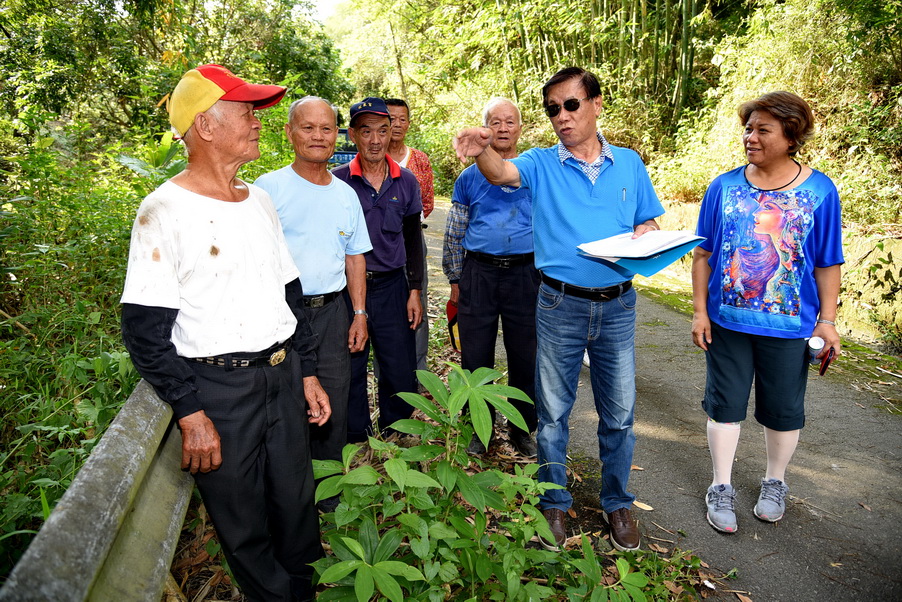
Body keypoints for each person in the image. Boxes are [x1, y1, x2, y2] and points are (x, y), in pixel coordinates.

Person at [120, 64, 329, 601]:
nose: (258, 122)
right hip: (220, 391)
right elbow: (144, 331)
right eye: (246, 112)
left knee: (297, 503)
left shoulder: (259, 200)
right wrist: (190, 412)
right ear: (205, 125)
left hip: (282, 374)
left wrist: (306, 373)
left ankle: (306, 591)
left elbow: (290, 294)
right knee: (243, 521)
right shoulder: (163, 210)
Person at [453, 67, 663, 553]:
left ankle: (617, 503)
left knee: (620, 413)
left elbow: (646, 220)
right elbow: (501, 173)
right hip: (558, 302)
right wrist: (481, 147)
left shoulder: (630, 163)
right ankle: (553, 501)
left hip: (617, 305)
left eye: (571, 104)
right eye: (552, 109)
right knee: (551, 414)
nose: (561, 116)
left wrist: (647, 235)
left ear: (596, 104)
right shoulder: (541, 162)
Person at [691, 91, 843, 534]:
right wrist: (700, 311)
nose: (750, 137)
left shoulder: (820, 191)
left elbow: (827, 262)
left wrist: (827, 321)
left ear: (791, 136)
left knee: (783, 409)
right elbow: (703, 255)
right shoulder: (723, 187)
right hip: (727, 322)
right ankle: (720, 485)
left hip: (791, 327)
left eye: (762, 130)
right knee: (724, 405)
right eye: (748, 128)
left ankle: (775, 481)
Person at [254, 96, 372, 513]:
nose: (318, 136)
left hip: (333, 310)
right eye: (308, 127)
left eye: (326, 128)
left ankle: (329, 488)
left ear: (337, 135)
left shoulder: (346, 194)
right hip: (283, 313)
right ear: (290, 133)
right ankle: (290, 489)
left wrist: (359, 314)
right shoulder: (268, 189)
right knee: (287, 396)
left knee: (335, 394)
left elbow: (355, 257)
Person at [442, 97, 538, 458]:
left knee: (525, 356)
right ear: (485, 129)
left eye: (510, 122)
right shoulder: (469, 177)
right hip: (478, 274)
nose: (502, 128)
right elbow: (455, 231)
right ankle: (476, 429)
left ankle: (522, 429)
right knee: (475, 356)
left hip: (525, 274)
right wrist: (455, 278)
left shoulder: (534, 171)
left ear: (520, 128)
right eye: (495, 122)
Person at [332, 97, 425, 441]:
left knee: (399, 365)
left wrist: (414, 290)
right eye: (366, 131)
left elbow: (412, 239)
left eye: (383, 131)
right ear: (353, 135)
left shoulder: (406, 181)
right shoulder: (337, 182)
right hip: (347, 289)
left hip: (392, 287)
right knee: (351, 364)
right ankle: (357, 437)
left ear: (391, 133)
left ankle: (396, 432)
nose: (375, 140)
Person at [386, 98, 434, 374]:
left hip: (414, 238)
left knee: (418, 300)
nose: (397, 124)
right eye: (391, 118)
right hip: (380, 243)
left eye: (402, 119)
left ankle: (419, 372)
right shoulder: (373, 155)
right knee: (386, 305)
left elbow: (427, 201)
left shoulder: (419, 160)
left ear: (408, 123)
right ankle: (391, 373)